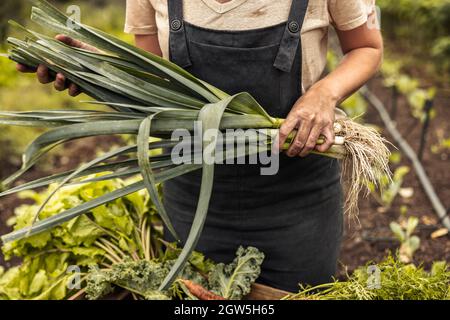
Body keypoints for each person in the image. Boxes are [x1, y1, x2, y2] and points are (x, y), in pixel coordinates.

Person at [17, 0, 383, 292]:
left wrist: (323, 94)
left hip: (296, 199)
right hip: (194, 196)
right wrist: (100, 74)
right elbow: (155, 82)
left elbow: (367, 47)